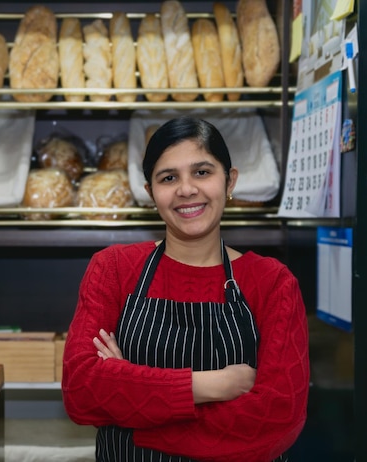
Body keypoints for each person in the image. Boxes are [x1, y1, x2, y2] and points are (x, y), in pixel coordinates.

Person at [61, 116, 310, 462]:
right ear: (151, 193)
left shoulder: (272, 282)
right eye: (168, 178)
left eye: (203, 172)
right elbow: (81, 390)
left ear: (230, 181)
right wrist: (212, 385)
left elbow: (277, 418)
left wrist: (132, 406)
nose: (186, 189)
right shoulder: (114, 269)